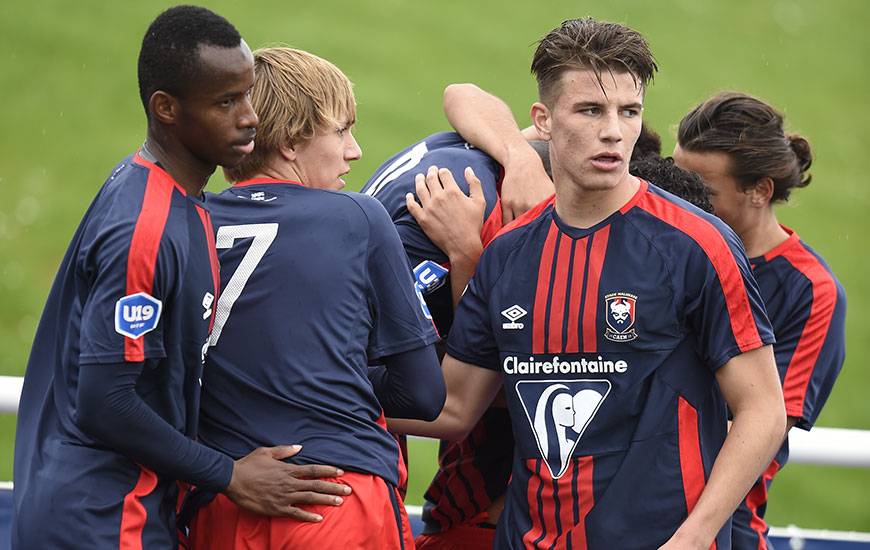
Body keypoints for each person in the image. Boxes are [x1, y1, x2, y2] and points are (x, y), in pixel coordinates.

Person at [390, 18, 786, 549]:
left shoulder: (697, 245)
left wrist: (694, 537)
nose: (614, 132)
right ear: (543, 120)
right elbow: (454, 407)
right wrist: (306, 394)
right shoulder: (508, 255)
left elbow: (763, 410)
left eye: (629, 112)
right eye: (591, 110)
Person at [11, 7, 350, 549]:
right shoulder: (145, 226)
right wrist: (230, 474)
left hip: (122, 511)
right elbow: (105, 401)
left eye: (247, 95)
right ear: (166, 109)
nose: (249, 118)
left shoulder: (179, 201)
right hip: (102, 520)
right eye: (225, 102)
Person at [187, 47, 445, 550]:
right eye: (341, 130)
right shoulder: (358, 217)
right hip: (334, 498)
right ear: (289, 143)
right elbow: (424, 394)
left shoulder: (189, 220)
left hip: (220, 500)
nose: (354, 150)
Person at [673, 91, 846, 549]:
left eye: (702, 191)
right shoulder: (662, 242)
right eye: (674, 180)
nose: (677, 200)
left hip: (717, 529)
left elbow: (760, 429)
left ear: (759, 190)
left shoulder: (811, 292)